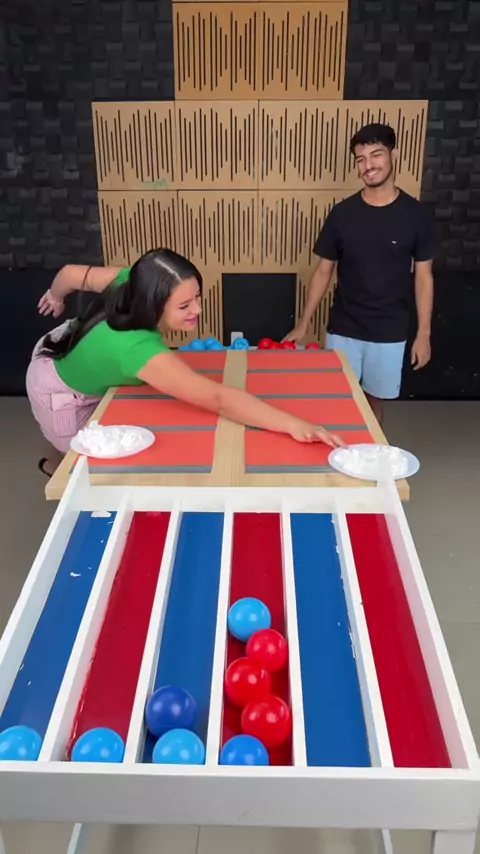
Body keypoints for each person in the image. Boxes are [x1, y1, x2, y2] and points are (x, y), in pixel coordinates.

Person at [28, 248, 344, 477]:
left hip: (62, 343)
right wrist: (294, 424)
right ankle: (53, 465)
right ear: (153, 304)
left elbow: (70, 274)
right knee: (78, 469)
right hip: (60, 392)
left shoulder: (132, 280)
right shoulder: (137, 348)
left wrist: (56, 297)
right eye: (184, 305)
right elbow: (218, 398)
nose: (197, 310)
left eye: (197, 296)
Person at [284, 123, 436, 425]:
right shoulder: (342, 214)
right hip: (344, 328)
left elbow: (423, 279)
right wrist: (304, 323)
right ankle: (339, 452)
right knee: (338, 400)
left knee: (373, 401)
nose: (369, 165)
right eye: (361, 159)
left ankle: (370, 453)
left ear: (393, 155)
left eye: (376, 155)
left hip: (389, 330)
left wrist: (424, 334)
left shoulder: (417, 216)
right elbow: (323, 271)